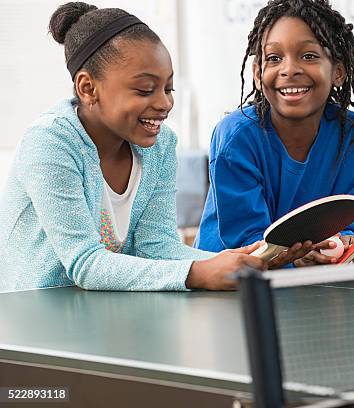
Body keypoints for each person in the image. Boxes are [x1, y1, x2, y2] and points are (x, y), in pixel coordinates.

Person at [0, 2, 286, 293]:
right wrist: (198, 272)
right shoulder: (51, 143)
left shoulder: (160, 146)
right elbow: (85, 264)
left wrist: (231, 263)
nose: (164, 103)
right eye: (145, 90)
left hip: (104, 314)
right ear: (88, 88)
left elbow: (157, 245)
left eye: (168, 88)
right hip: (34, 319)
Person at [194, 0, 354, 266]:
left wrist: (343, 242)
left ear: (338, 71)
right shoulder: (236, 138)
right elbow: (249, 244)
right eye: (274, 58)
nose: (289, 69)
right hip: (231, 288)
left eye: (309, 56)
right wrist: (296, 260)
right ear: (258, 74)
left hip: (310, 287)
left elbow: (350, 224)